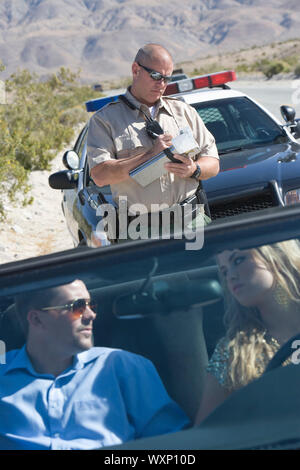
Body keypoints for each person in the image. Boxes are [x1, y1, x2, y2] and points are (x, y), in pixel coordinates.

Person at [0, 279, 190, 450]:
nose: (91, 315)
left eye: (91, 305)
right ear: (36, 319)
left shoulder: (123, 366)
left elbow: (172, 447)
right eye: (78, 306)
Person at [87, 43, 219, 237]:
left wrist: (194, 169)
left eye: (166, 78)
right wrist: (150, 154)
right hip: (140, 229)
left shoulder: (184, 112)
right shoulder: (104, 120)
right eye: (156, 76)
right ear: (135, 70)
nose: (162, 84)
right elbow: (100, 175)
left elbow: (213, 163)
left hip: (192, 221)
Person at [195, 240, 300, 425]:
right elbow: (205, 434)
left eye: (238, 260)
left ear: (275, 255)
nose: (231, 277)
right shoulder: (233, 353)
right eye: (224, 271)